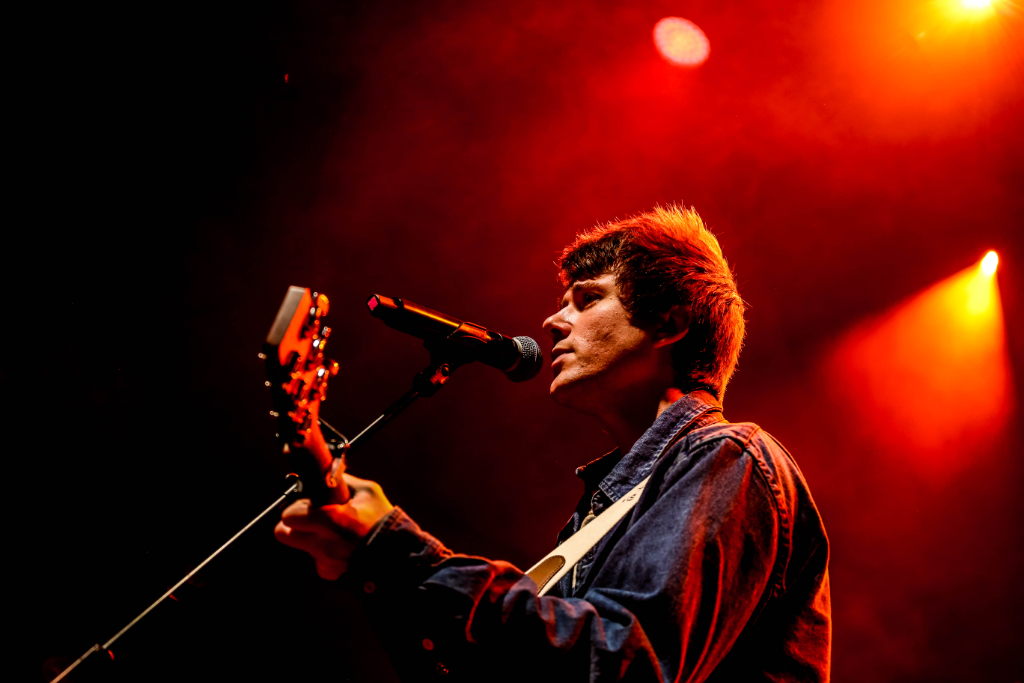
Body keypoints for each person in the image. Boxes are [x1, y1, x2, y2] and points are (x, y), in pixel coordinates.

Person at [274, 205, 831, 682]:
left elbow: (626, 664)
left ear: (669, 323)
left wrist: (399, 554)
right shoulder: (600, 515)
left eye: (586, 300)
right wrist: (377, 572)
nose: (551, 321)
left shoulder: (730, 457)